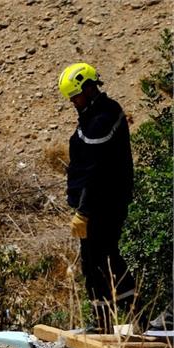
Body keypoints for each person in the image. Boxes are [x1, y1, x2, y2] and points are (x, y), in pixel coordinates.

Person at [58, 62, 139, 333]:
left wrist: (84, 210)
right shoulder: (95, 115)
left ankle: (127, 317)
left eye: (76, 96)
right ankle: (105, 321)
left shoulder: (104, 117)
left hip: (105, 203)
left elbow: (96, 171)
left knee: (102, 261)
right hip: (98, 203)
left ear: (89, 89)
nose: (73, 102)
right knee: (97, 261)